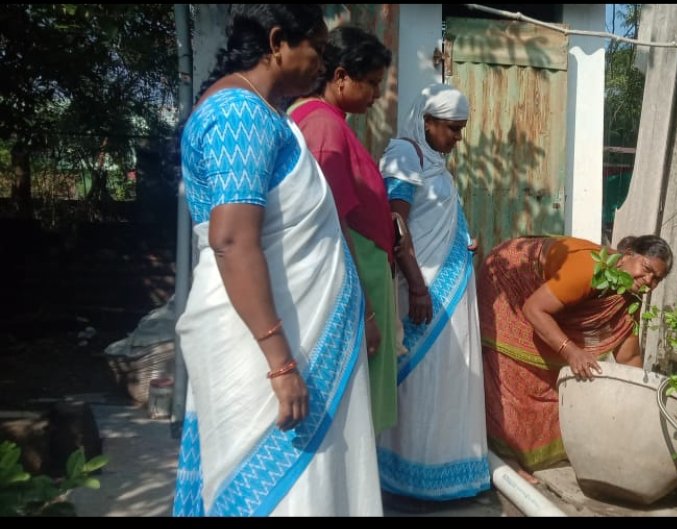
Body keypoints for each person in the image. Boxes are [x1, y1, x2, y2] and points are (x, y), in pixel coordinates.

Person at [171, 5, 381, 516]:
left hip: (295, 337)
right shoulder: (238, 113)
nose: (323, 63)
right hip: (263, 344)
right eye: (317, 49)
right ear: (277, 42)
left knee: (310, 485)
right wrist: (281, 363)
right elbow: (232, 241)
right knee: (277, 489)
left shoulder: (266, 116)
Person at [375, 83, 491, 502]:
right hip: (423, 291)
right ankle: (411, 479)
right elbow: (395, 226)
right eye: (453, 129)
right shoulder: (405, 155)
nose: (458, 139)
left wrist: (462, 241)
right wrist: (420, 290)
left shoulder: (434, 162)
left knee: (448, 380)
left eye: (461, 130)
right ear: (427, 121)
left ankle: (449, 471)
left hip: (450, 291)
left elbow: (431, 222)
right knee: (421, 382)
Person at [476, 235, 673, 476]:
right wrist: (571, 351)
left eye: (657, 279)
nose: (648, 281)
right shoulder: (587, 269)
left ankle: (531, 456)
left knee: (551, 380)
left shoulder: (629, 296)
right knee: (511, 372)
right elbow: (534, 309)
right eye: (646, 270)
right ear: (628, 254)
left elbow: (629, 355)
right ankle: (505, 459)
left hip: (540, 299)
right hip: (511, 278)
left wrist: (641, 403)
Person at [288, 26, 401, 435]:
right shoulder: (324, 127)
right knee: (352, 408)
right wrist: (365, 310)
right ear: (339, 77)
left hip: (361, 272)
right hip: (354, 277)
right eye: (370, 83)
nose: (375, 95)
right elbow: (330, 223)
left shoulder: (325, 122)